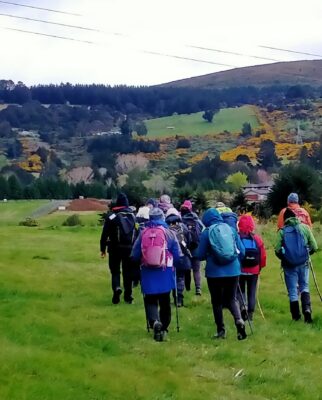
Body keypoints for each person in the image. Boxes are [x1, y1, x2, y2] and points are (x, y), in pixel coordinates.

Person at [131, 207, 182, 342]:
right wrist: (176, 264)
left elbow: (134, 254)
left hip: (148, 272)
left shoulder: (143, 233)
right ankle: (164, 327)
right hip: (165, 271)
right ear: (162, 218)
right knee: (165, 300)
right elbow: (177, 254)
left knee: (150, 300)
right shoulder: (169, 233)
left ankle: (154, 323)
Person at [196, 208, 247, 340]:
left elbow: (200, 254)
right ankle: (238, 320)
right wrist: (236, 262)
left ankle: (221, 331)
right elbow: (242, 250)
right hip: (233, 270)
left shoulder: (207, 232)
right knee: (231, 299)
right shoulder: (231, 229)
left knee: (217, 301)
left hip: (214, 272)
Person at [275, 208, 318, 323]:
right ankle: (307, 309)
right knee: (304, 286)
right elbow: (314, 246)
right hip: (303, 263)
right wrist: (307, 254)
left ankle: (296, 317)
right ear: (295, 217)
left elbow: (277, 249)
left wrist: (285, 258)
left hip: (289, 265)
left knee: (292, 290)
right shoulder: (304, 228)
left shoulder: (282, 231)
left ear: (285, 220)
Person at [100, 192, 137, 304]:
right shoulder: (132, 216)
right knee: (128, 273)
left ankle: (116, 288)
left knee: (115, 271)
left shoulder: (111, 216)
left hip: (114, 248)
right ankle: (128, 296)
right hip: (129, 248)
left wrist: (102, 249)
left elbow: (104, 234)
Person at [237, 214, 267, 321]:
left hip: (240, 269)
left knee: (240, 290)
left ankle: (242, 307)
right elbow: (263, 256)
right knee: (252, 291)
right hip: (254, 270)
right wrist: (260, 268)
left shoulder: (237, 238)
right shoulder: (257, 239)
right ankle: (250, 315)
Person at [165, 207, 192, 307]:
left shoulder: (166, 228)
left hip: (169, 257)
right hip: (182, 256)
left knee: (172, 277)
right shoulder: (183, 227)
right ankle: (179, 298)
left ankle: (173, 295)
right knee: (180, 277)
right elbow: (189, 241)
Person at [181, 200, 204, 295]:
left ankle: (187, 287)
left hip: (185, 248)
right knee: (196, 269)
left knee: (185, 269)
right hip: (196, 248)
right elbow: (203, 229)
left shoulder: (180, 220)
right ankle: (198, 288)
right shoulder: (196, 219)